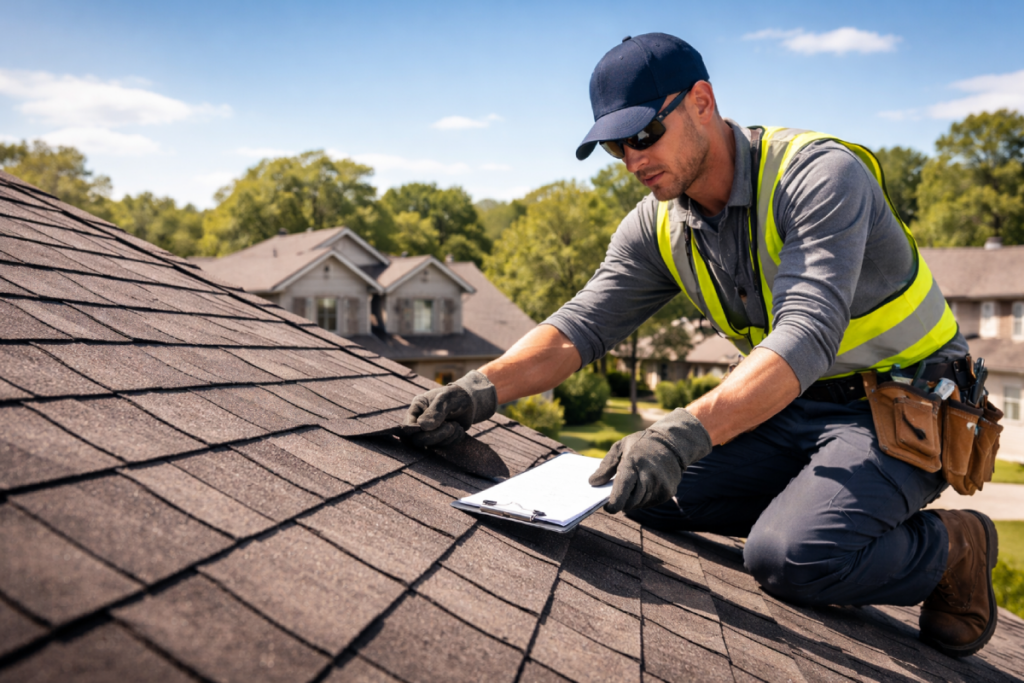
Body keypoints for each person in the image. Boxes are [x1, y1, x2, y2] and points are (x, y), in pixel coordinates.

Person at [402, 33, 998, 657]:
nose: (632, 161)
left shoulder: (820, 177)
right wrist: (477, 390)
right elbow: (582, 324)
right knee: (634, 490)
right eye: (614, 147)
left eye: (643, 135)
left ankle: (951, 547)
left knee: (789, 557)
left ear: (702, 102)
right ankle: (815, 504)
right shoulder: (659, 223)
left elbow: (807, 332)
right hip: (786, 402)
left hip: (900, 406)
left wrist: (683, 433)